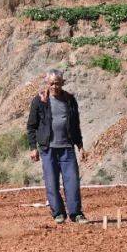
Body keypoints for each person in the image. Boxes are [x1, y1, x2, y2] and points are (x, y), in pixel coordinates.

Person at [26, 69, 87, 225]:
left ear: (63, 83)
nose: (54, 86)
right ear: (47, 83)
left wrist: (80, 146)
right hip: (48, 149)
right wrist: (33, 147)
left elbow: (75, 125)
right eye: (51, 83)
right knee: (51, 182)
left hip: (67, 147)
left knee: (72, 181)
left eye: (58, 83)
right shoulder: (40, 101)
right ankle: (58, 213)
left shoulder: (69, 100)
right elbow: (31, 126)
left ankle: (76, 214)